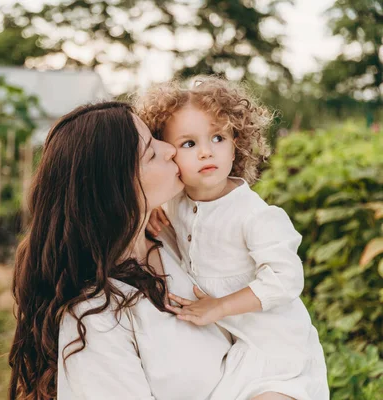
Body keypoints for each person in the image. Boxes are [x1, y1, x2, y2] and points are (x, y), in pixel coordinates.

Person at [8, 101, 296, 400]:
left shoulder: (178, 241)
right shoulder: (96, 317)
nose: (171, 149)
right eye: (151, 152)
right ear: (117, 185)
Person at [138, 76, 329, 400]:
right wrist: (150, 210)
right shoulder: (173, 204)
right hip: (230, 349)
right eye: (189, 143)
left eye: (217, 137)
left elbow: (286, 278)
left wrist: (220, 306)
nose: (206, 152)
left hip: (276, 345)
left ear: (236, 141)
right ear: (168, 153)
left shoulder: (253, 215)